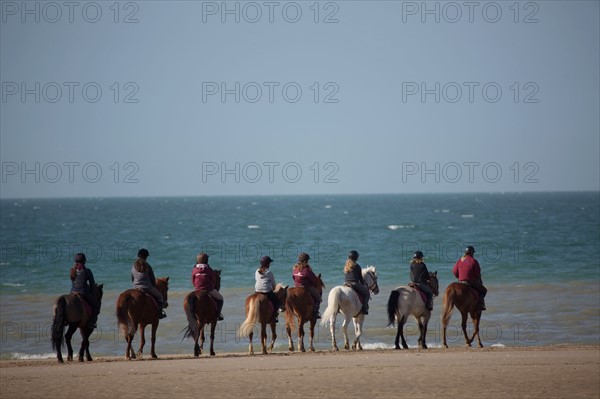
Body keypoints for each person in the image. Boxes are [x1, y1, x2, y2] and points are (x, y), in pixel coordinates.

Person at [131, 248, 167, 319]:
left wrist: (135, 285)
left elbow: (132, 279)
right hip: (147, 287)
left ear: (138, 256)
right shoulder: (147, 266)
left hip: (135, 288)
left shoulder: (133, 267)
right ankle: (160, 314)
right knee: (160, 296)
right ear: (146, 257)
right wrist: (153, 286)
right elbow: (152, 279)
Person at [70, 253, 99, 329]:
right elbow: (92, 284)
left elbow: (73, 282)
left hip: (72, 292)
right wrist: (91, 290)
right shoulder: (87, 271)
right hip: (83, 292)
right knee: (95, 306)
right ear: (84, 261)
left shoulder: (72, 270)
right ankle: (91, 323)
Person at [453, 245, 487, 310]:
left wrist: (459, 277)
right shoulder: (474, 261)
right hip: (470, 283)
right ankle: (481, 304)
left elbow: (454, 271)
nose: (473, 254)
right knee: (484, 290)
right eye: (473, 253)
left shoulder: (459, 261)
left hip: (460, 283)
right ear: (471, 253)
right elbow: (477, 274)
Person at [192, 252, 224, 320]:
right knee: (221, 299)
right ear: (206, 261)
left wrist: (196, 287)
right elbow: (213, 280)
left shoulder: (194, 270)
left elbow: (193, 280)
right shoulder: (209, 270)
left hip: (197, 289)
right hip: (208, 289)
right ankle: (218, 315)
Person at [292, 252, 321, 319]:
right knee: (318, 298)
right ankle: (315, 312)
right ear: (306, 261)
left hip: (296, 287)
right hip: (306, 287)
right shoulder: (307, 270)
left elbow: (294, 278)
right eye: (307, 260)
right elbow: (314, 280)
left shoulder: (295, 269)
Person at [254, 255, 280, 323]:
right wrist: (274, 289)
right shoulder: (269, 272)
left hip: (257, 291)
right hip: (266, 292)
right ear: (268, 264)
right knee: (277, 302)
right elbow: (274, 284)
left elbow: (257, 280)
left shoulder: (256, 271)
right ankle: (274, 317)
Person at [344, 250, 369, 315]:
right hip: (354, 284)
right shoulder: (357, 266)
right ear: (356, 258)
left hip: (346, 283)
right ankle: (364, 308)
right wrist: (364, 284)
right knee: (367, 294)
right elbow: (360, 279)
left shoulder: (346, 265)